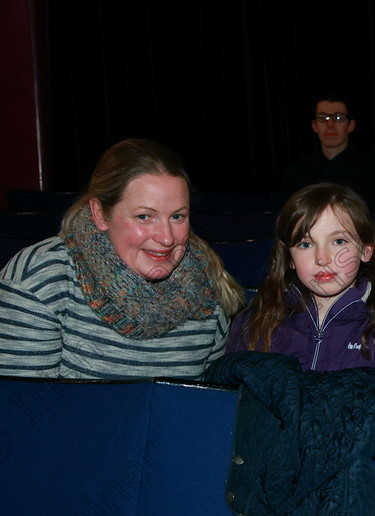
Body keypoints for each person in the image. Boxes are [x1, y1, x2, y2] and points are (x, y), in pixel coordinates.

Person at [0, 138, 244, 379]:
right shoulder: (41, 279)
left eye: (177, 216)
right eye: (144, 217)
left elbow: (205, 409)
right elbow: (18, 412)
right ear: (100, 214)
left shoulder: (205, 290)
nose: (167, 238)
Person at [225, 182, 375, 371]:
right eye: (305, 244)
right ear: (290, 258)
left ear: (366, 250)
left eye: (339, 241)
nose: (322, 259)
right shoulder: (258, 321)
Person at [281, 92, 375, 213]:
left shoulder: (374, 169)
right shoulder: (296, 172)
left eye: (338, 117)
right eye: (323, 117)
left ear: (351, 125)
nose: (330, 125)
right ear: (314, 125)